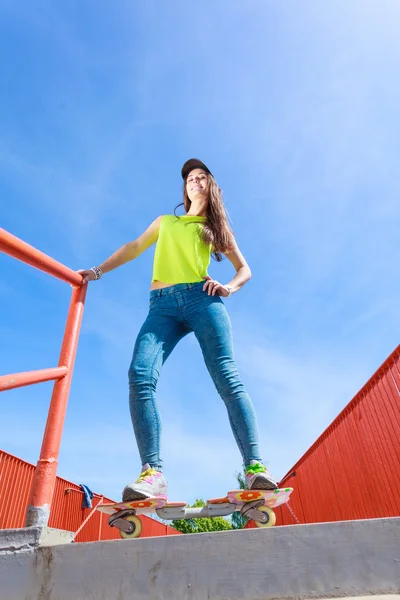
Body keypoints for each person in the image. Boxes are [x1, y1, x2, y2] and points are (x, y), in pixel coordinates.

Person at [78, 158, 277, 501]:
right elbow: (134, 247)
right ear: (183, 189)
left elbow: (244, 269)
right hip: (162, 307)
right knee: (139, 374)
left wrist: (230, 287)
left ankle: (256, 468)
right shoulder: (166, 221)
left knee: (227, 378)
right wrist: (97, 271)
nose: (195, 181)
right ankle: (152, 474)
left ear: (211, 187)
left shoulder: (215, 229)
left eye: (202, 177)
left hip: (203, 301)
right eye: (190, 178)